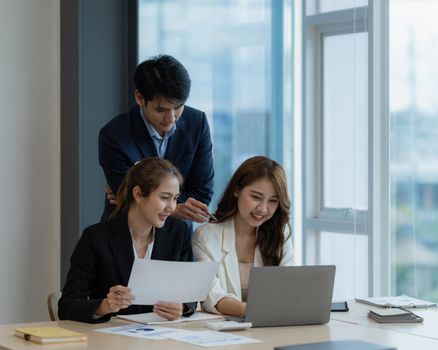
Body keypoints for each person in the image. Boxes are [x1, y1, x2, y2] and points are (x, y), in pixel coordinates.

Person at [58, 157, 197, 323]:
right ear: (138, 194)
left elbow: (190, 294)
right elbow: (67, 306)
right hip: (111, 340)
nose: (172, 208)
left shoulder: (178, 232)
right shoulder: (95, 238)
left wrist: (182, 307)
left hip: (164, 336)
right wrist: (105, 306)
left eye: (175, 198)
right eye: (164, 197)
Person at [98, 54, 214, 223]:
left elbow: (202, 194)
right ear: (139, 98)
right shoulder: (113, 135)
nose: (171, 117)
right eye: (161, 110)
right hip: (125, 233)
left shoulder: (197, 123)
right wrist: (176, 209)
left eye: (178, 107)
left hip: (177, 236)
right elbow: (125, 197)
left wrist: (145, 199)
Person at [192, 156, 294, 316]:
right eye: (256, 197)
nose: (263, 209)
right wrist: (252, 311)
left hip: (271, 325)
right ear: (236, 190)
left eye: (273, 201)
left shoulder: (280, 234)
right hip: (225, 330)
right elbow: (211, 295)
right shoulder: (206, 236)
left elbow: (290, 286)